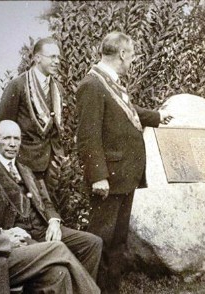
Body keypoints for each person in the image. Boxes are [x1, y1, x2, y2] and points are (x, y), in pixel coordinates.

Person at [76, 31, 173, 293]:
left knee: (116, 242)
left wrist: (157, 116)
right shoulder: (92, 84)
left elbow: (129, 112)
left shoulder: (110, 82)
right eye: (132, 55)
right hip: (108, 179)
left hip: (123, 177)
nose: (133, 60)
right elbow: (87, 136)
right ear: (122, 54)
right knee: (101, 241)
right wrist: (98, 175)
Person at [0, 131, 100, 294]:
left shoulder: (25, 169)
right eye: (7, 138)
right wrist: (4, 239)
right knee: (57, 249)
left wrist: (53, 221)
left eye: (16, 139)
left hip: (20, 236)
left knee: (58, 272)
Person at [0, 37, 65, 186]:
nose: (57, 61)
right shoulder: (17, 86)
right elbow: (3, 126)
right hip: (25, 164)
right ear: (37, 58)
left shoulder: (58, 88)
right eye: (52, 57)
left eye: (58, 57)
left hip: (52, 166)